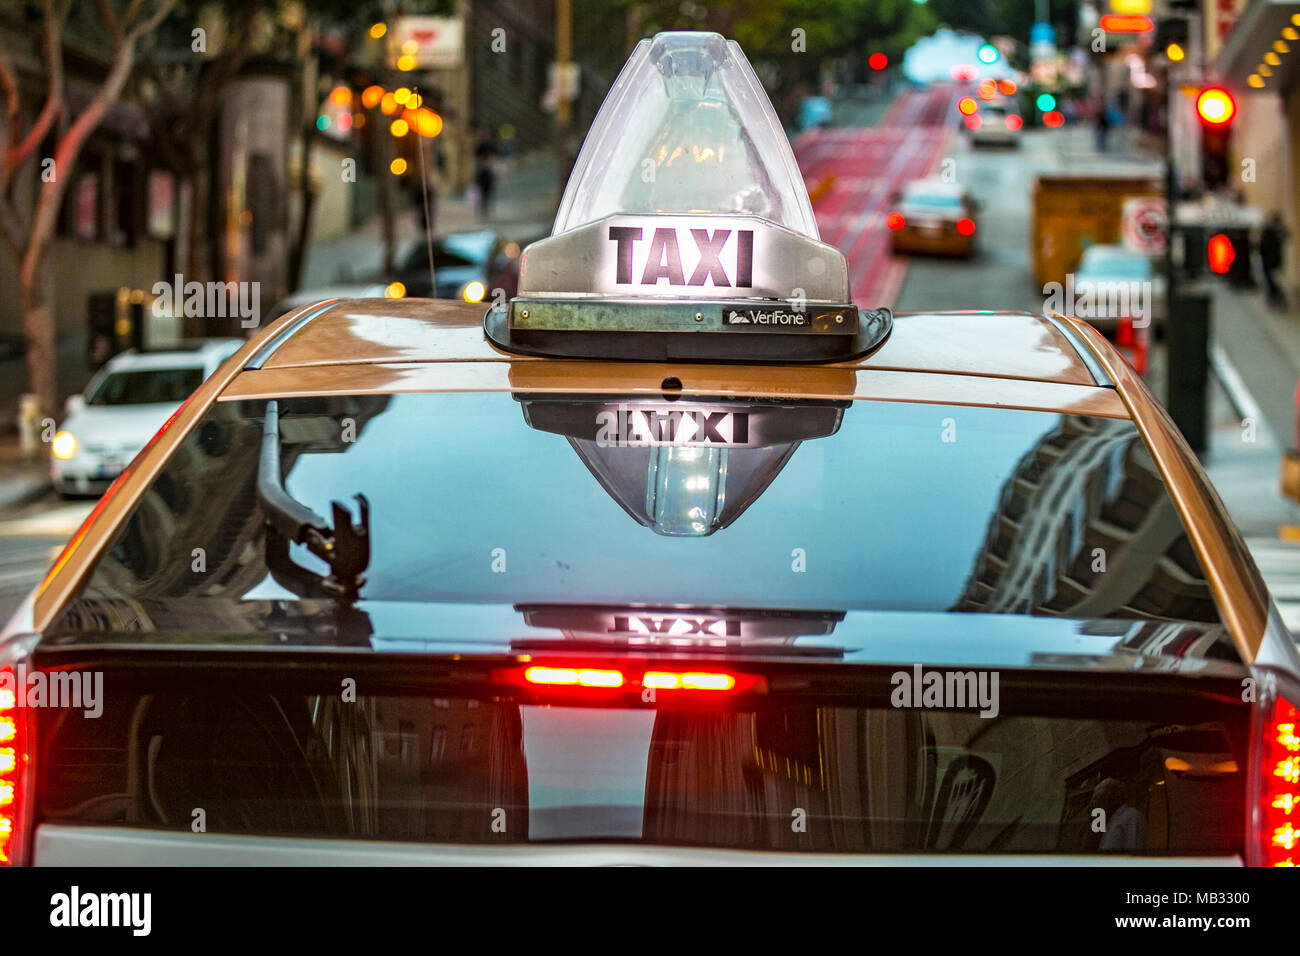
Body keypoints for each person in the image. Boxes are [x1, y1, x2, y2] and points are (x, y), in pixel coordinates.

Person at [1261, 211, 1289, 308]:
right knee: (1271, 279)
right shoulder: (1272, 230)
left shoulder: (1271, 230)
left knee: (1270, 280)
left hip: (1271, 259)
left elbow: (1263, 244)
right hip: (1272, 259)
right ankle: (1275, 297)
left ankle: (1276, 297)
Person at [473, 134, 497, 220]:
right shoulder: (479, 146)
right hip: (481, 173)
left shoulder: (491, 145)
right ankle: (479, 210)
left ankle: (487, 209)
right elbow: (477, 156)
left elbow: (493, 156)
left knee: (489, 192)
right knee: (480, 193)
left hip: (488, 173)